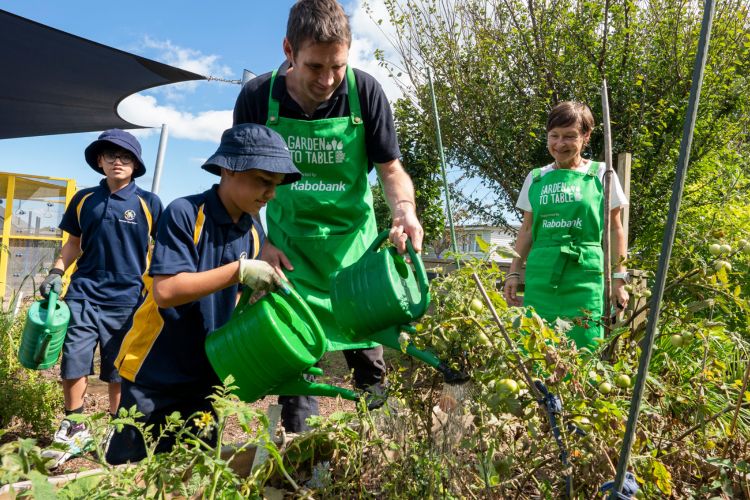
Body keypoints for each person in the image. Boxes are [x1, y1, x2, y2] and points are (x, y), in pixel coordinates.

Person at [233, 0, 424, 433]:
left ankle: (375, 455)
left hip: (353, 258)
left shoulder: (366, 92)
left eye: (337, 66)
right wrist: (260, 239)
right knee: (299, 371)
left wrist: (405, 211)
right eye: (315, 67)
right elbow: (238, 180)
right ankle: (303, 465)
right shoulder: (258, 97)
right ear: (288, 50)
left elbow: (390, 169)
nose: (327, 80)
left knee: (370, 369)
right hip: (290, 255)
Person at [105, 123, 300, 464]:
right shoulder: (185, 212)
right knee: (127, 473)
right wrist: (239, 270)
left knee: (193, 471)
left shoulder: (253, 231)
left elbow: (232, 299)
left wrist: (252, 303)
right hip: (153, 369)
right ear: (228, 169)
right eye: (263, 181)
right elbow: (166, 291)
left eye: (276, 185)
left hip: (208, 372)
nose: (270, 193)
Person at [38, 129, 163, 461]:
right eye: (110, 156)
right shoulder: (83, 200)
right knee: (73, 358)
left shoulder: (148, 203)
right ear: (99, 162)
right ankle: (75, 428)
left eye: (125, 157)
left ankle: (116, 427)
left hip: (129, 300)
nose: (117, 161)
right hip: (83, 294)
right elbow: (73, 245)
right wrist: (55, 273)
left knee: (118, 369)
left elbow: (163, 251)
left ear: (136, 165)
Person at [503, 102, 629, 350]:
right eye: (554, 136)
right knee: (536, 343)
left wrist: (619, 278)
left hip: (584, 273)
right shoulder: (536, 177)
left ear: (586, 136)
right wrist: (514, 271)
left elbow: (615, 229)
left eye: (570, 136)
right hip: (542, 275)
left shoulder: (602, 174)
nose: (560, 144)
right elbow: (527, 230)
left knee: (584, 342)